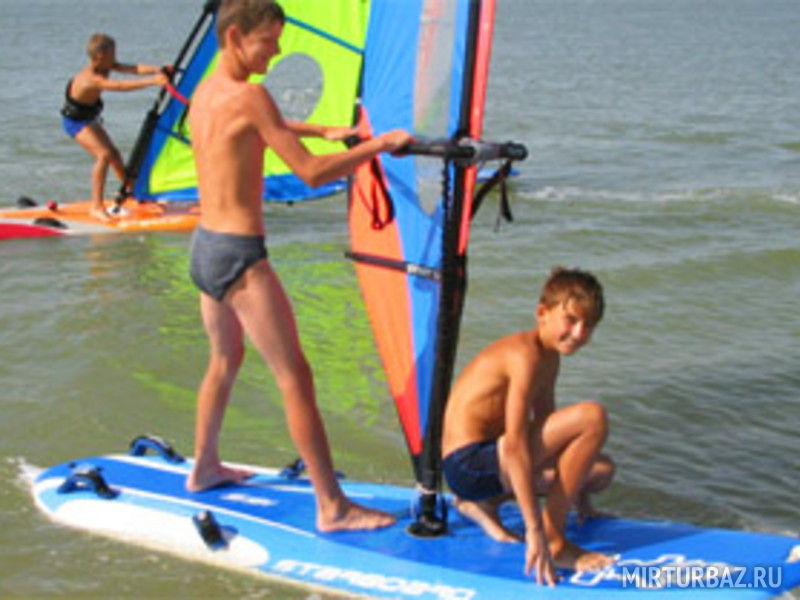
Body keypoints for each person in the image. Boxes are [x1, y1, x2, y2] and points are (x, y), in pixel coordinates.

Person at [184, 0, 413, 535]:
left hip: (205, 248)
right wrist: (379, 145)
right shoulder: (251, 96)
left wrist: (322, 128)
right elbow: (310, 174)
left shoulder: (206, 93)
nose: (278, 49)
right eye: (269, 40)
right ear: (236, 37)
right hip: (240, 257)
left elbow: (254, 125)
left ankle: (205, 467)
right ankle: (332, 506)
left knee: (224, 360)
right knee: (296, 378)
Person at [441, 267, 616, 584]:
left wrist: (579, 498)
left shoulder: (550, 358)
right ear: (542, 313)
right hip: (468, 463)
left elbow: (550, 433)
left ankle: (484, 503)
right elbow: (516, 445)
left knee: (600, 472)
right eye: (571, 320)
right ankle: (554, 540)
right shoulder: (525, 356)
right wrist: (535, 530)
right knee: (593, 417)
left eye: (588, 325)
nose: (579, 333)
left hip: (491, 461)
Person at [61, 33, 167, 220]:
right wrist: (153, 82)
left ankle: (132, 192)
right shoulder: (90, 78)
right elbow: (119, 85)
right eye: (112, 53)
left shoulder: (106, 65)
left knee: (114, 154)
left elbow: (133, 69)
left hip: (89, 119)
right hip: (75, 122)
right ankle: (96, 207)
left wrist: (158, 70)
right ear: (99, 56)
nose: (115, 57)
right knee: (103, 155)